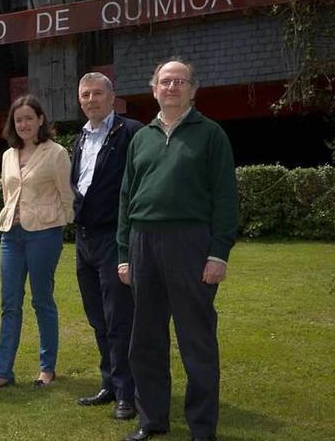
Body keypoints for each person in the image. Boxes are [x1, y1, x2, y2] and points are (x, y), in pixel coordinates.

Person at [117, 58, 238, 441]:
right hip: (143, 243)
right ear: (154, 88)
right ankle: (151, 419)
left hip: (191, 243)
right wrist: (124, 254)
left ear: (192, 89)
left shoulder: (211, 134)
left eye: (180, 81)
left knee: (196, 337)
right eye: (165, 81)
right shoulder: (141, 137)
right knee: (146, 338)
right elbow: (126, 198)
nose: (172, 87)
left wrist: (218, 253)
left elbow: (225, 198)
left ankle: (202, 428)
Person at [0, 94, 74, 391]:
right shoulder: (8, 155)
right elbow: (10, 195)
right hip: (12, 235)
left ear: (40, 120)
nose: (24, 124)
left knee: (42, 301)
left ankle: (47, 368)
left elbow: (66, 194)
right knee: (10, 304)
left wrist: (59, 224)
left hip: (44, 235)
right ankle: (3, 371)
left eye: (29, 118)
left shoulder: (56, 152)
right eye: (18, 120)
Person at [70, 73, 143, 419]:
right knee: (97, 317)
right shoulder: (80, 138)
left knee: (119, 319)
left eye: (98, 93)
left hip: (114, 237)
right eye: (86, 94)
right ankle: (110, 384)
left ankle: (128, 394)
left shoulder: (130, 133)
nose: (91, 99)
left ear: (112, 97)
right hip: (83, 240)